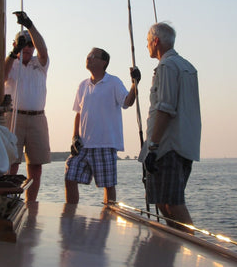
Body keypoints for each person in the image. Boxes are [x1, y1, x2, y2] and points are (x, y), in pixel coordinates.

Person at [140, 22, 201, 227]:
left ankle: (190, 247)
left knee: (172, 203)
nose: (147, 45)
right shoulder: (188, 67)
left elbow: (165, 108)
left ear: (156, 41)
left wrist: (153, 147)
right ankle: (176, 247)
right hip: (185, 145)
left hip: (167, 146)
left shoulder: (166, 66)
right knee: (163, 200)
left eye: (148, 41)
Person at [65, 48, 139, 204]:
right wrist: (74, 137)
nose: (88, 58)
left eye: (93, 56)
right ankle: (71, 214)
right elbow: (78, 113)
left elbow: (127, 102)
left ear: (103, 62)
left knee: (108, 185)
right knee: (69, 176)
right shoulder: (83, 85)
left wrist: (135, 85)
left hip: (105, 144)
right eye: (88, 55)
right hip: (83, 145)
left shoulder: (113, 82)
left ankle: (108, 216)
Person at [4, 11, 51, 202]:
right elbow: (2, 76)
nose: (28, 47)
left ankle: (31, 203)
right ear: (15, 45)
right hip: (14, 117)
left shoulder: (39, 64)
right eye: (23, 44)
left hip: (37, 118)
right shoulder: (10, 64)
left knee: (36, 166)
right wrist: (14, 53)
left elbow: (43, 51)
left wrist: (30, 26)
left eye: (30, 44)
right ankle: (7, 199)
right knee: (11, 163)